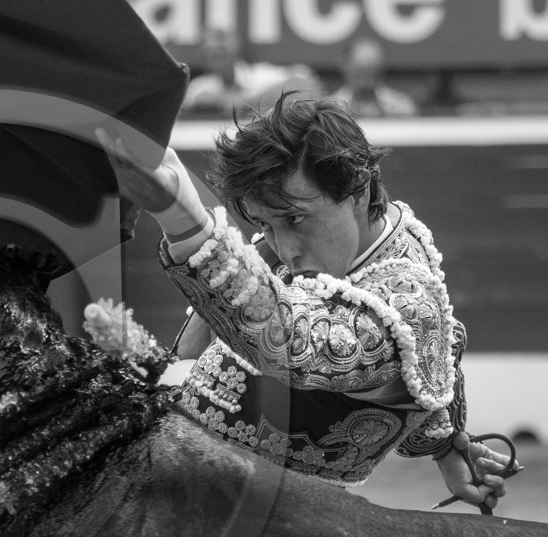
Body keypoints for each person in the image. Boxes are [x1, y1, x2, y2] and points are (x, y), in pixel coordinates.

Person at [98, 94, 514, 510]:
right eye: (265, 224)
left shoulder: (407, 301)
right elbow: (429, 358)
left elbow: (294, 343)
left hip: (255, 518)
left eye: (295, 219)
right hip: (190, 477)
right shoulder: (374, 243)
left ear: (357, 192)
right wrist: (444, 443)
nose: (285, 250)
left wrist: (182, 218)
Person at [183, 27, 321, 116]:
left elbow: (304, 80)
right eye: (208, 49)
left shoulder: (262, 75)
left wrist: (246, 103)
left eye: (221, 44)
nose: (214, 50)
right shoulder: (200, 86)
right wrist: (223, 102)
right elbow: (191, 102)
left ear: (236, 46)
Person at [332, 37, 418, 118]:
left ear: (382, 68)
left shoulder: (402, 108)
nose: (365, 80)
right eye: (360, 72)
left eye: (371, 71)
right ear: (345, 66)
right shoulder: (331, 109)